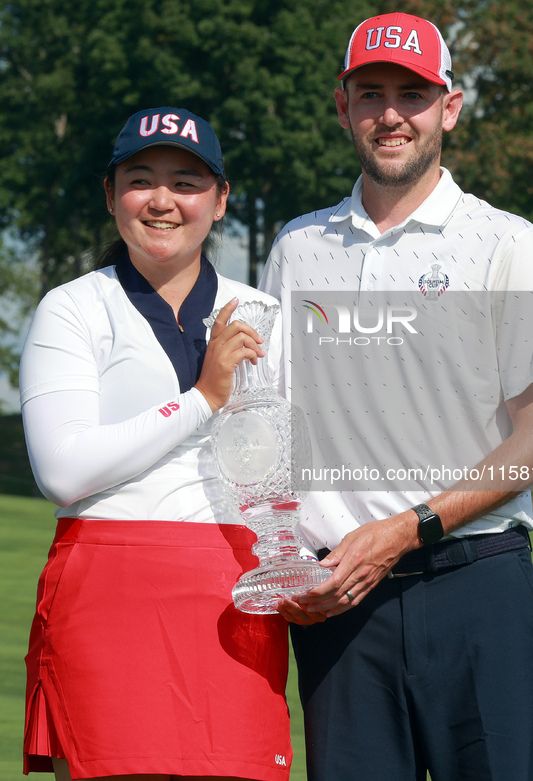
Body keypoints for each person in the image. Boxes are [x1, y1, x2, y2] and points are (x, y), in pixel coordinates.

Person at [259, 12, 533, 781]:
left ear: (449, 108)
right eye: (370, 93)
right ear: (342, 106)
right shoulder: (298, 247)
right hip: (339, 609)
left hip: (476, 585)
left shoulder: (505, 241)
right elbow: (265, 427)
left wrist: (406, 528)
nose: (390, 113)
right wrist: (282, 560)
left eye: (412, 94)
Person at [21, 107, 291, 781]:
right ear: (111, 196)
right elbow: (62, 469)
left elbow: (289, 471)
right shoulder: (73, 306)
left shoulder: (261, 310)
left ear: (221, 200)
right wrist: (203, 397)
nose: (163, 200)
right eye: (140, 180)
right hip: (106, 595)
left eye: (186, 181)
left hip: (235, 595)